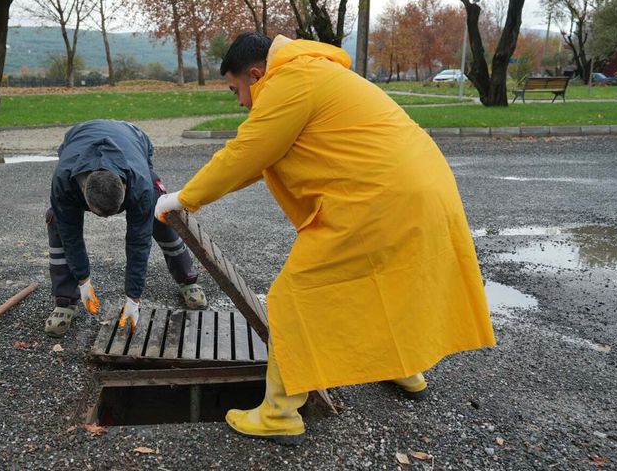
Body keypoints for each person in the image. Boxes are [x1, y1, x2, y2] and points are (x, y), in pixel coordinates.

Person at [155, 32, 495, 444]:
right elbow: (261, 158)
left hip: (379, 200)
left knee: (294, 296)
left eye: (237, 90)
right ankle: (402, 368)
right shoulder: (311, 72)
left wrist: (183, 198)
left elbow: (247, 151)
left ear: (256, 73)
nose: (240, 102)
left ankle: (279, 413)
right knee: (385, 281)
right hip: (422, 188)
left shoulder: (290, 80)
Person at [45, 119, 207, 337]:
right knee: (58, 222)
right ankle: (65, 300)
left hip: (133, 139)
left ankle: (187, 279)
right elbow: (70, 235)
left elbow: (138, 243)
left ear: (124, 188)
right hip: (79, 136)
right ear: (83, 196)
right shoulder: (64, 182)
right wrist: (83, 280)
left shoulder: (139, 184)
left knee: (160, 214)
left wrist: (133, 298)